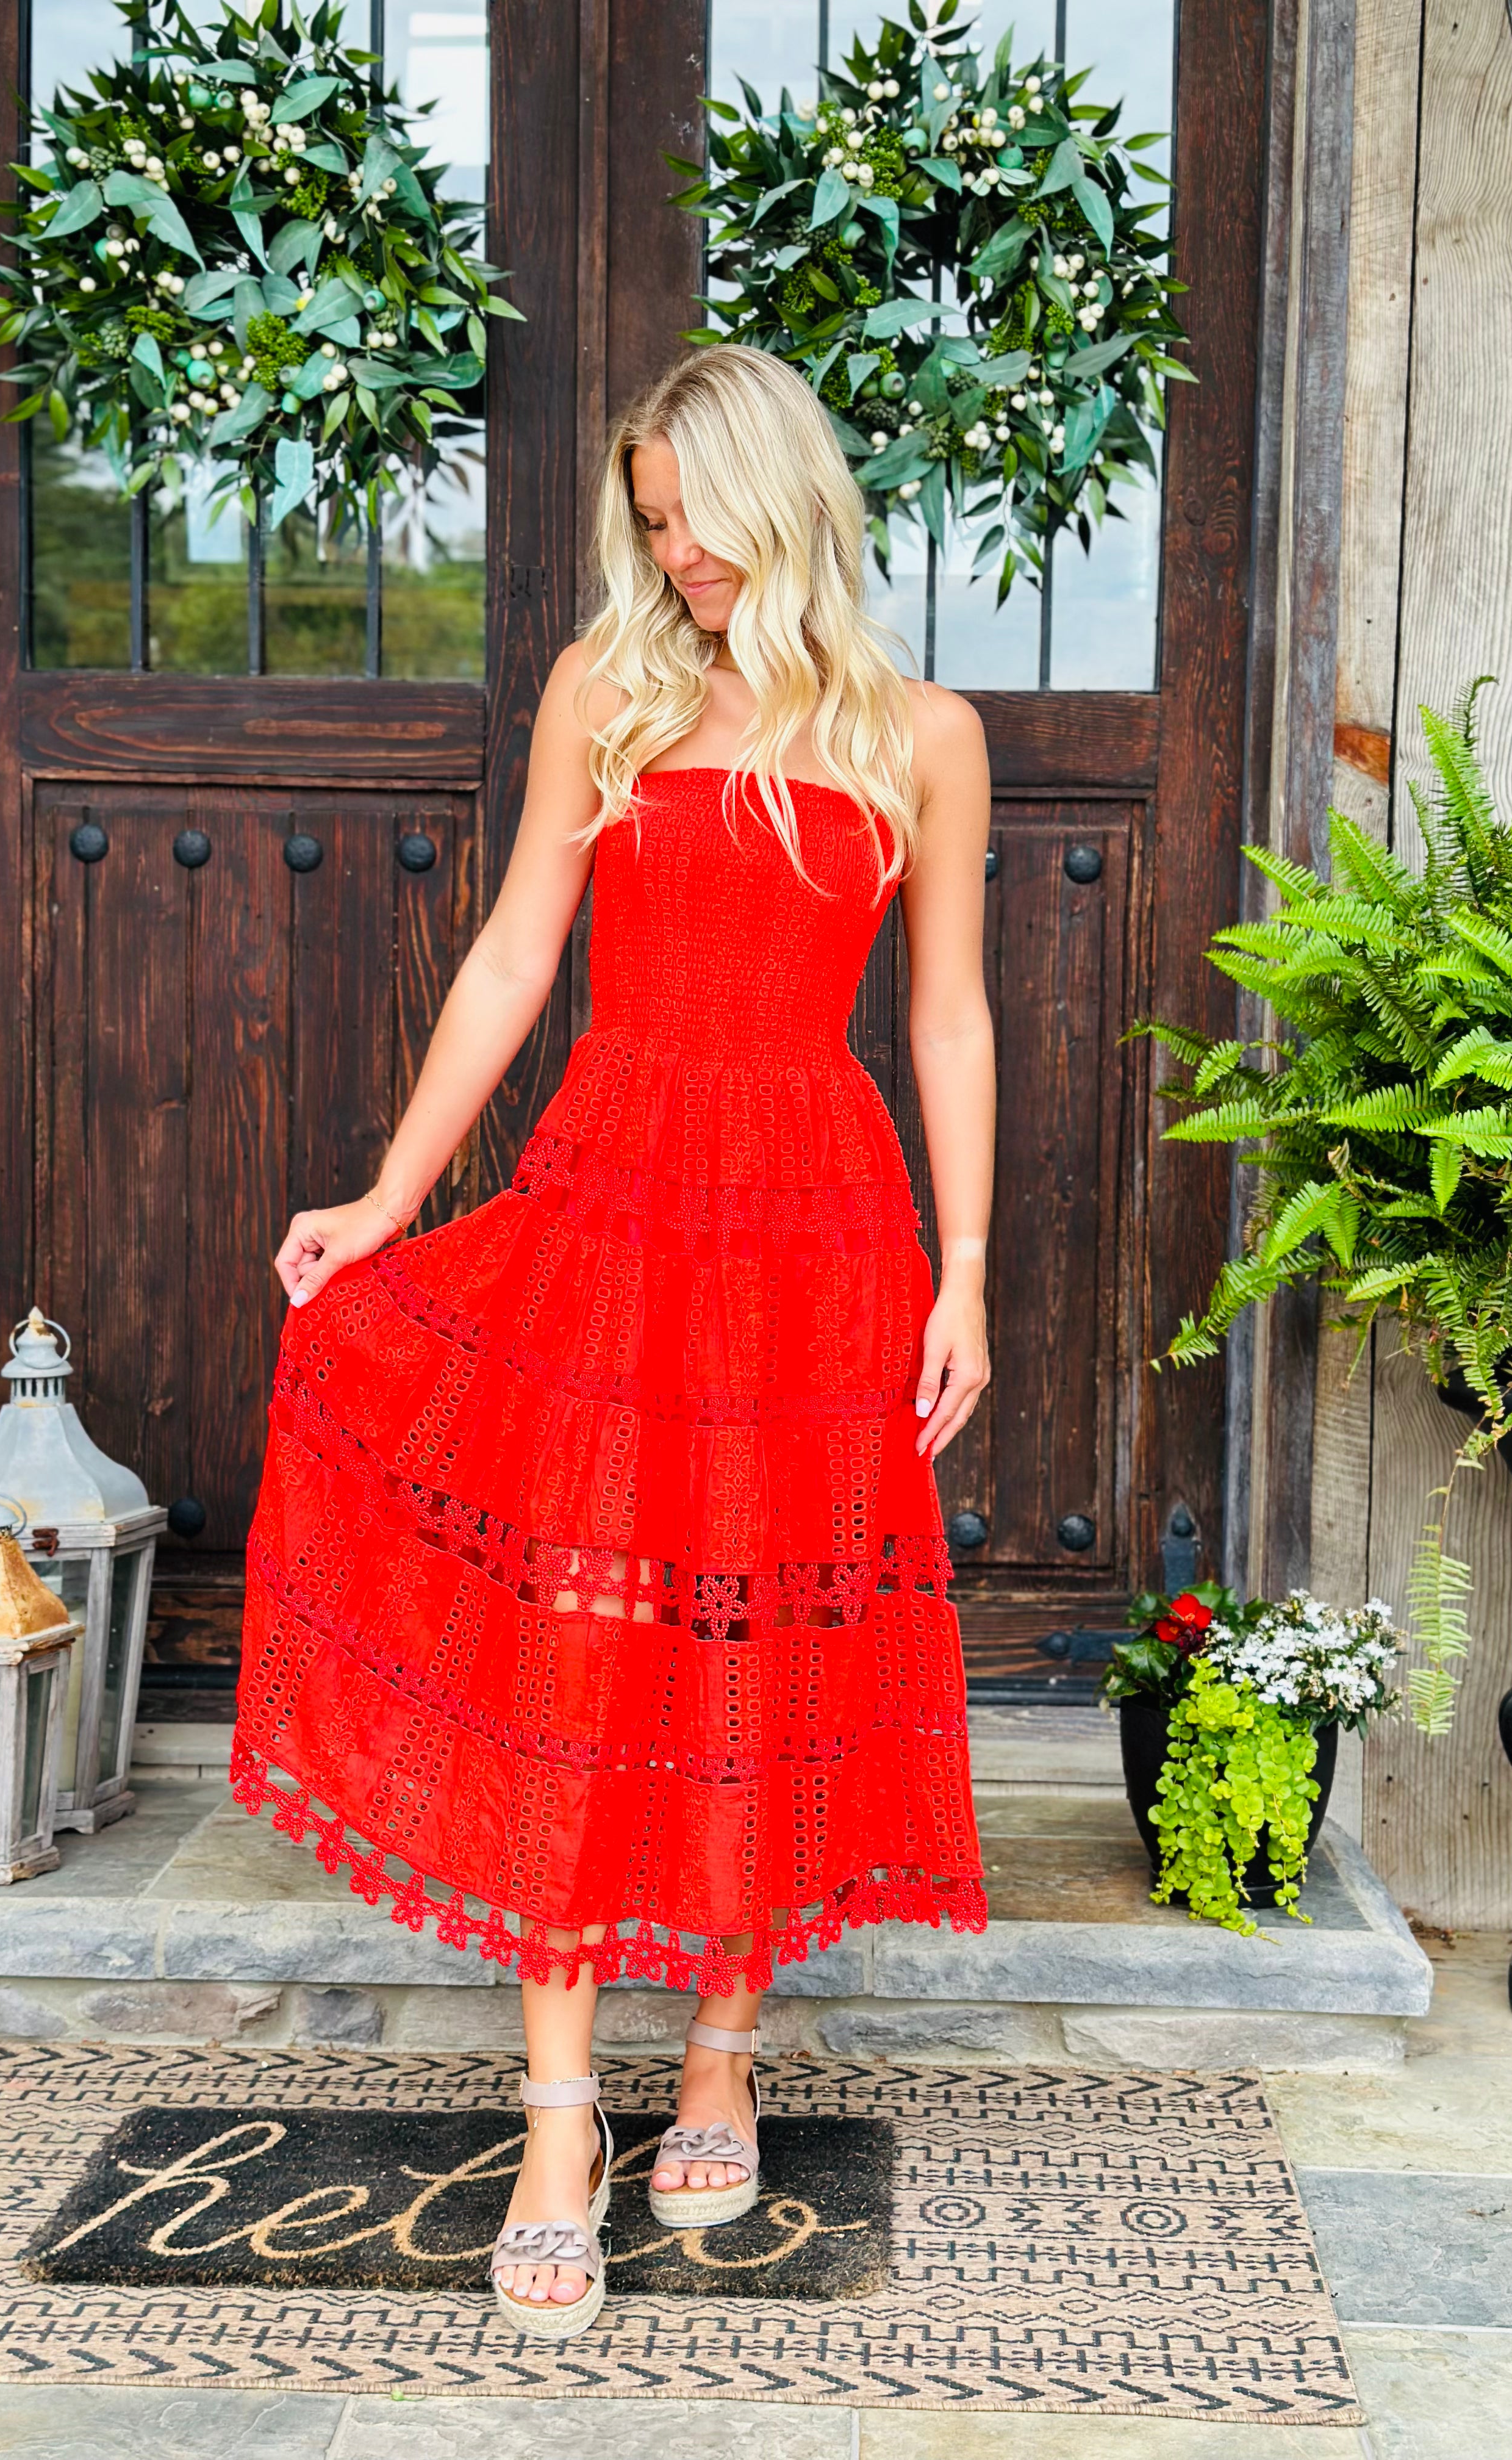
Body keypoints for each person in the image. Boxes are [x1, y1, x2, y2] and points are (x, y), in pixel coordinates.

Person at [235, 343, 995, 2340]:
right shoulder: (608, 688)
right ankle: (560, 2122)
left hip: (816, 1229)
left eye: (701, 519)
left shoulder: (921, 734)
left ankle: (724, 2060)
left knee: (756, 1625)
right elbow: (514, 955)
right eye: (651, 524)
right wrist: (390, 1196)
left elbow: (948, 1017)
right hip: (613, 1198)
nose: (679, 556)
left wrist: (969, 1272)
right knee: (574, 1636)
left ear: (787, 501)